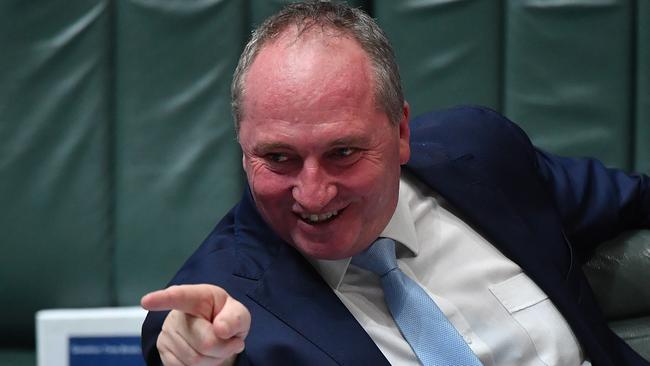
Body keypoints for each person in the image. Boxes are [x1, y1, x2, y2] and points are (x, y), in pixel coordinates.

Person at [140, 1, 650, 365]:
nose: (313, 193)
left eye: (343, 153)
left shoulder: (481, 154)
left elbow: (634, 200)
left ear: (401, 131)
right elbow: (187, 345)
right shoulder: (218, 305)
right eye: (278, 157)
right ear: (244, 147)